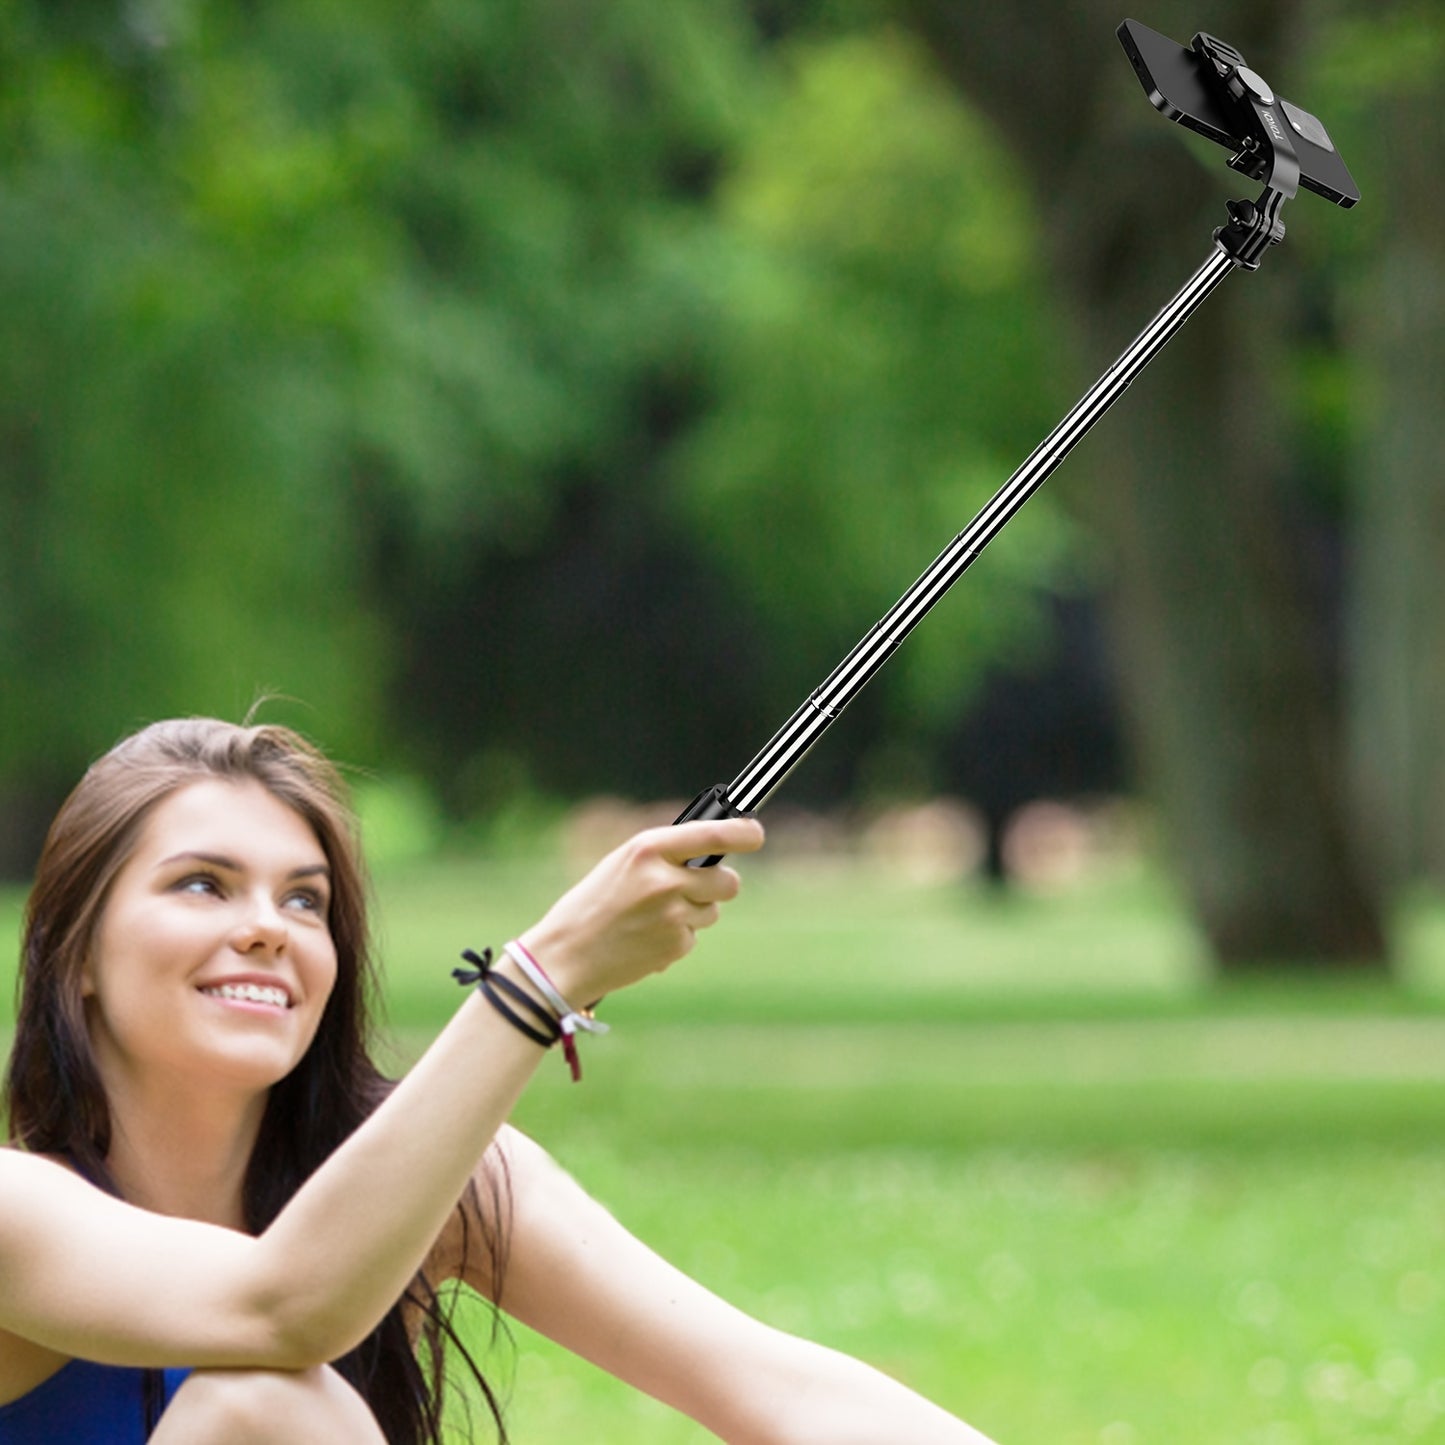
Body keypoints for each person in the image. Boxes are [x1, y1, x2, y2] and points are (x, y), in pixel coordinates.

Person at [0, 717, 997, 1443]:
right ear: (75, 953)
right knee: (261, 1407)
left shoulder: (439, 1183)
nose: (269, 924)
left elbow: (773, 1389)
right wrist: (535, 981)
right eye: (202, 883)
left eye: (304, 898)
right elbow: (279, 1308)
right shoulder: (18, 1212)